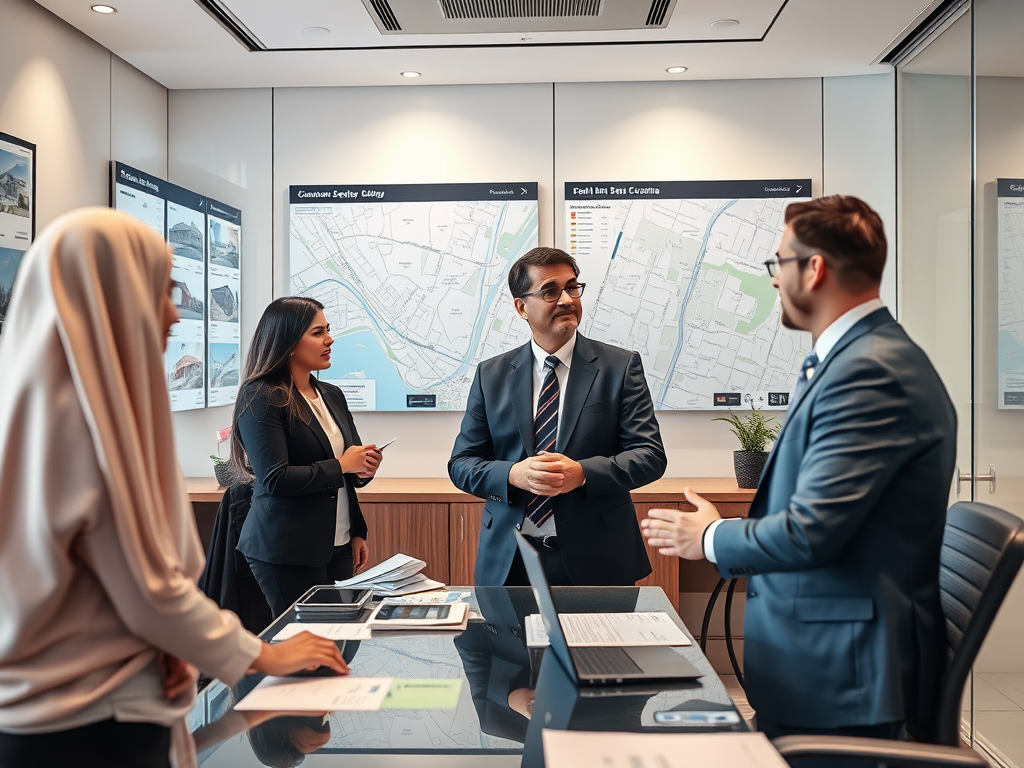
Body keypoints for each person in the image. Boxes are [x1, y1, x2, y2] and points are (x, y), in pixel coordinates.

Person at [0, 209, 348, 768]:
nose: (173, 311)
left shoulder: (34, 413)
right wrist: (264, 656)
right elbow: (151, 591)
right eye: (160, 291)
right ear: (106, 297)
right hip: (91, 728)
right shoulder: (83, 427)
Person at [641, 196, 957, 748]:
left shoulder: (871, 373)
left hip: (846, 684)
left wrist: (710, 537)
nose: (771, 281)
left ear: (814, 269)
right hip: (821, 670)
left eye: (777, 264)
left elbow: (812, 531)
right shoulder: (852, 359)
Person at [449, 247, 667, 587]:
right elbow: (462, 464)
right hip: (509, 560)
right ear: (522, 307)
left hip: (599, 558)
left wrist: (582, 473)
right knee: (512, 643)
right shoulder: (490, 375)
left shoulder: (619, 367)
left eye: (572, 287)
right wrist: (513, 474)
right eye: (551, 291)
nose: (567, 299)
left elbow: (650, 456)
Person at [230, 296, 382, 617]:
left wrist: (362, 472)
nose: (329, 339)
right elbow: (275, 478)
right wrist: (343, 465)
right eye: (317, 333)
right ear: (288, 343)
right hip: (287, 549)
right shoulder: (261, 395)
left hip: (337, 543)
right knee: (307, 648)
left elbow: (347, 472)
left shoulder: (330, 394)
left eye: (327, 330)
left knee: (343, 639)